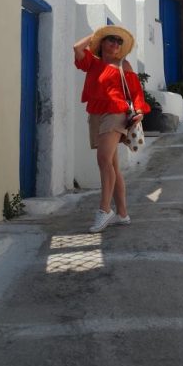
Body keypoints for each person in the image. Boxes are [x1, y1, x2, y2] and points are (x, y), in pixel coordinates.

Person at [73, 25, 150, 233]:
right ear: (102, 43)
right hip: (97, 114)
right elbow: (77, 48)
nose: (116, 44)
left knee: (103, 160)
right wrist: (96, 35)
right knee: (112, 165)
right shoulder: (93, 63)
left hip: (116, 113)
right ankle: (122, 214)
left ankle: (104, 210)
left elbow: (135, 92)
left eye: (119, 41)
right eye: (111, 40)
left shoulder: (123, 64)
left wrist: (140, 110)